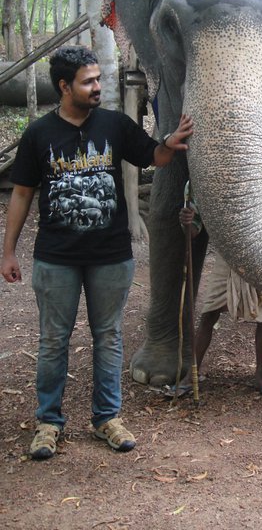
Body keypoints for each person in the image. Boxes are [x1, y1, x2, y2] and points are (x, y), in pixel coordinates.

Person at [0, 46, 193, 460]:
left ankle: (107, 417)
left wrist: (171, 143)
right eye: (89, 81)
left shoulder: (115, 125)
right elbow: (21, 193)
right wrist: (8, 251)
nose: (98, 88)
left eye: (99, 79)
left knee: (108, 337)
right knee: (54, 341)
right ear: (64, 86)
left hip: (110, 255)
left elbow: (153, 156)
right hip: (56, 257)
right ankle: (48, 422)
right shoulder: (39, 134)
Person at [178, 187, 262, 398]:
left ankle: (259, 374)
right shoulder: (197, 182)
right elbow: (195, 230)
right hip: (227, 254)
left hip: (260, 249)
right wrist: (187, 221)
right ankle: (191, 375)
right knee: (209, 314)